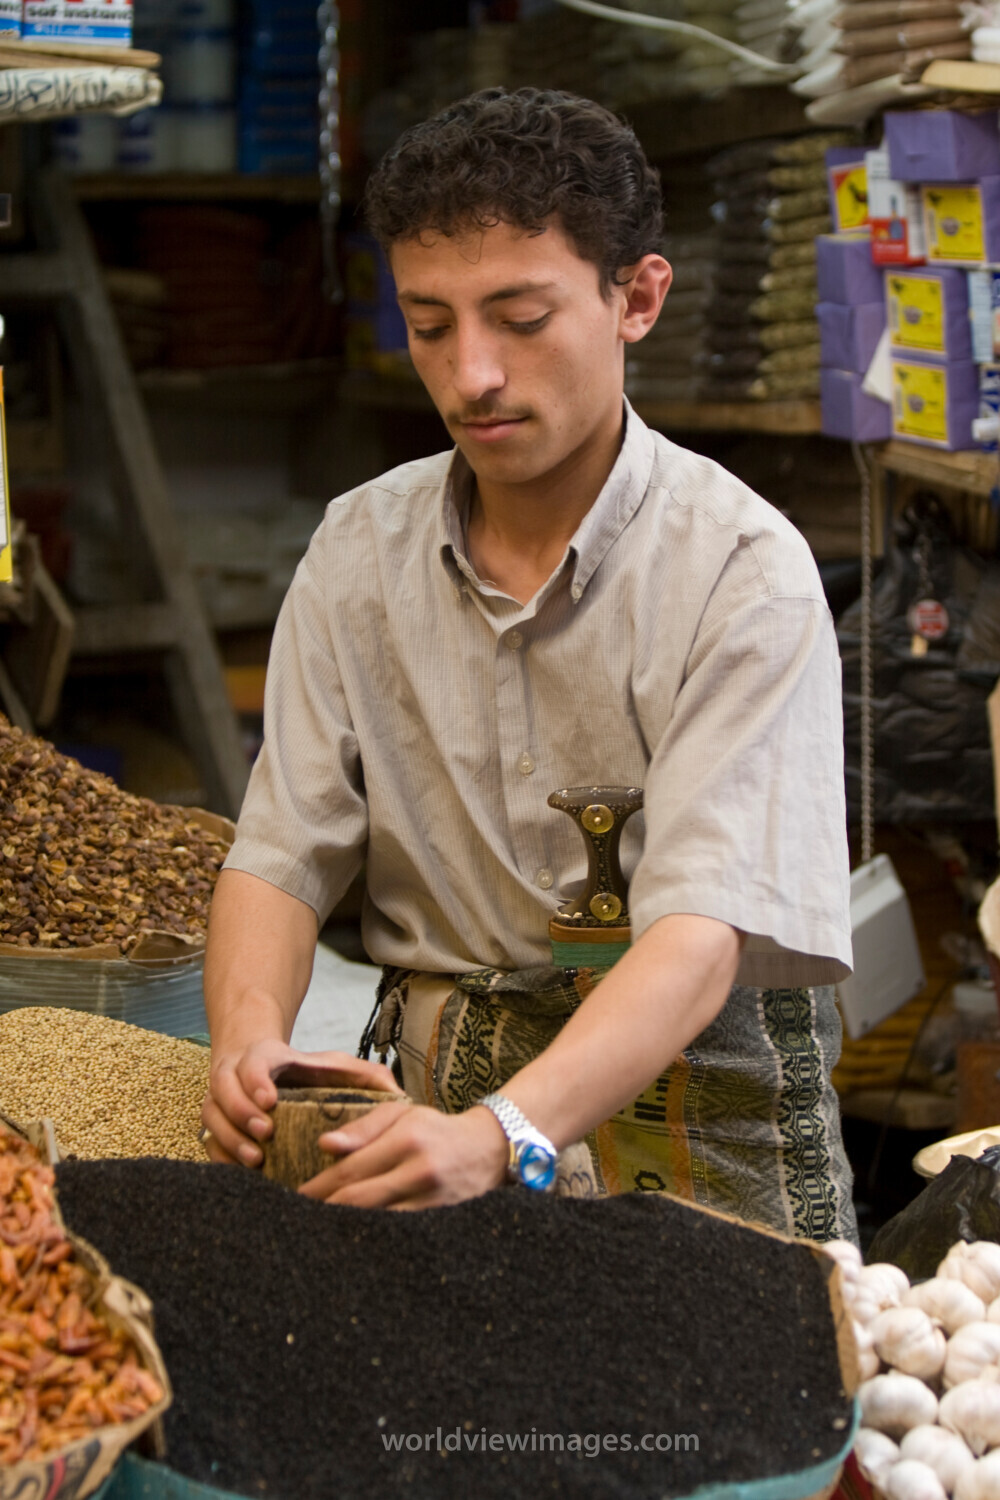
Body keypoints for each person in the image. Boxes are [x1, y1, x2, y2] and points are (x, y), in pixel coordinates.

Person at [201, 86, 857, 1240]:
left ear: (635, 299)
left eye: (519, 316)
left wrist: (505, 1133)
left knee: (720, 1399)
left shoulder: (739, 570)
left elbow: (700, 935)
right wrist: (249, 1036)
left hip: (695, 1099)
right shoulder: (359, 552)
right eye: (431, 322)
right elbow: (282, 854)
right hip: (429, 1099)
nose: (472, 375)